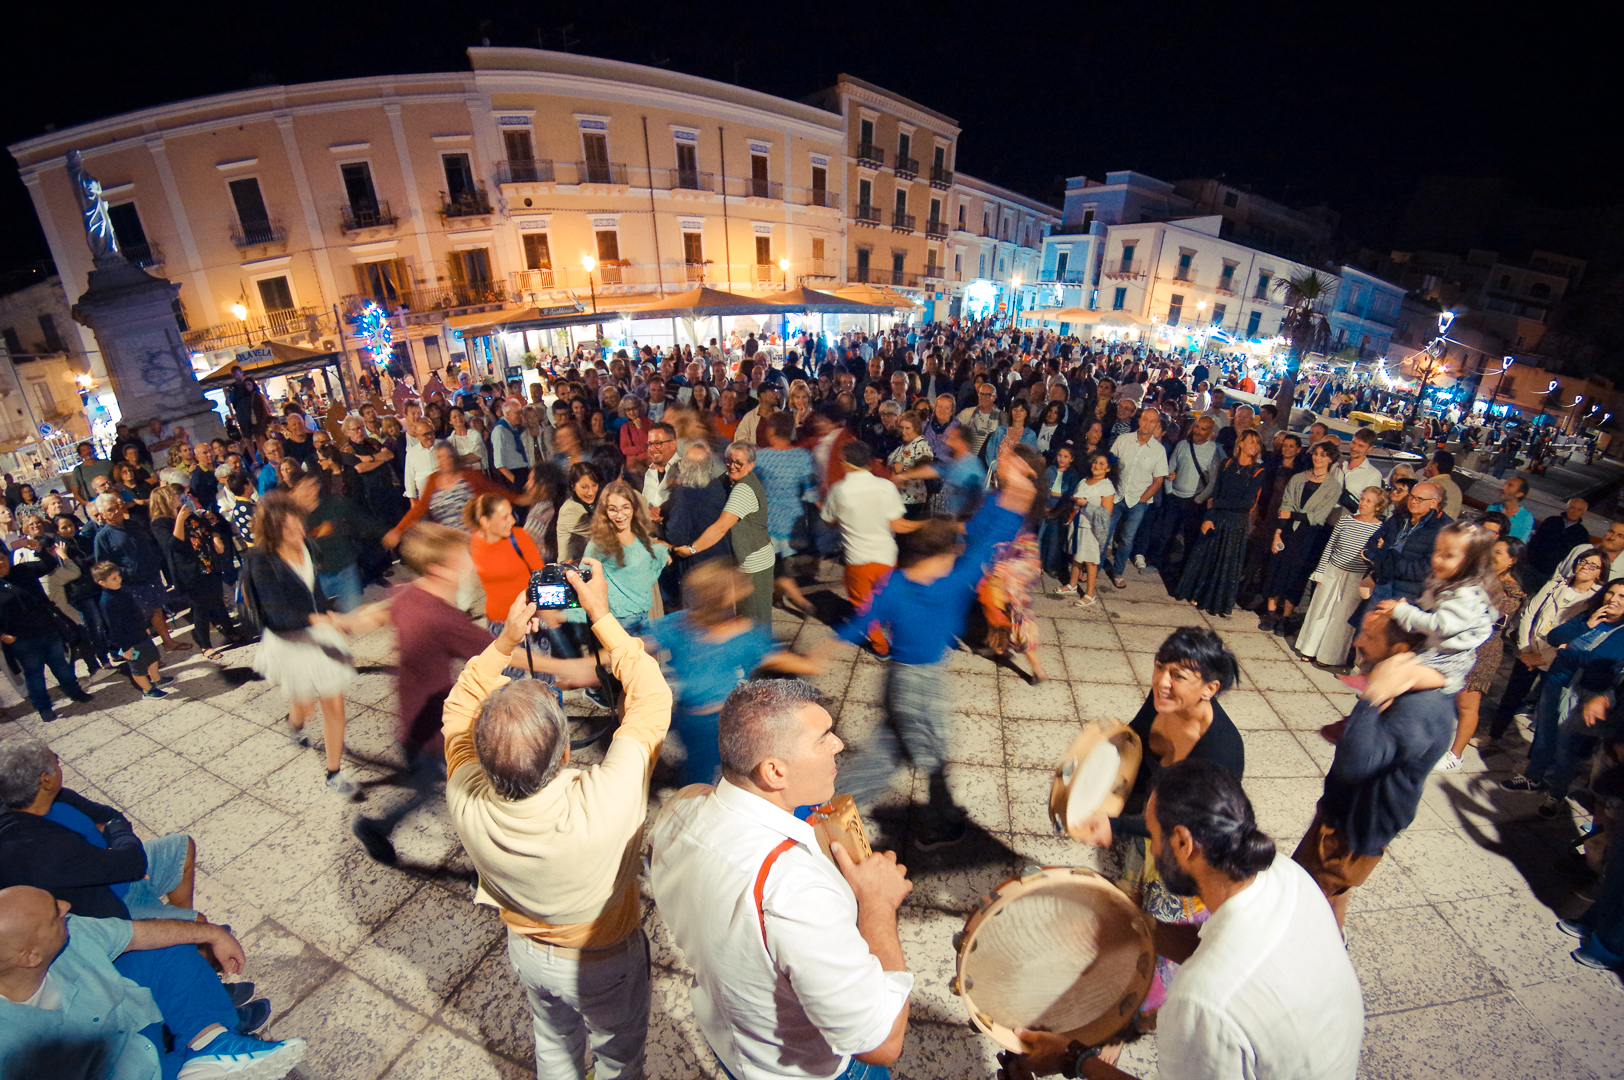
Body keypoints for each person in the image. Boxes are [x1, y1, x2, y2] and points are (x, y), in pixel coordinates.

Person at [439, 560, 668, 1080]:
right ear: (565, 755)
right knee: (617, 1055)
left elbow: (458, 710)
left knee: (554, 1044)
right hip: (602, 956)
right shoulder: (607, 799)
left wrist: (503, 645)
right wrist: (601, 614)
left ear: (479, 757)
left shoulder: (465, 794)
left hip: (527, 950)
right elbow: (651, 697)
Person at [1014, 759, 1361, 1080]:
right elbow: (1206, 948)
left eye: (1153, 837)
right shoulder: (1286, 873)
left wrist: (1072, 1059)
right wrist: (1129, 920)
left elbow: (1215, 982)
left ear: (1183, 842)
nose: (1150, 850)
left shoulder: (1201, 1001)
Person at [649, 679, 915, 1080]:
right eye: (824, 737)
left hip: (732, 1043)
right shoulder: (795, 891)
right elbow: (881, 1043)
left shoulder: (681, 806)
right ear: (774, 770)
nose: (839, 744)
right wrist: (878, 904)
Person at [834, 450, 1037, 849]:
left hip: (898, 680)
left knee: (888, 750)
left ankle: (835, 804)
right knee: (933, 754)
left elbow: (858, 622)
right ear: (942, 556)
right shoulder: (952, 581)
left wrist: (820, 651)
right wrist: (1018, 488)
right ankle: (938, 826)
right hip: (920, 687)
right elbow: (994, 534)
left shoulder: (894, 583)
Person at [0, 885, 306, 1080]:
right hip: (128, 1070)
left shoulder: (73, 930)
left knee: (165, 949)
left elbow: (140, 933)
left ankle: (213, 1044)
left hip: (131, 1021)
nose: (66, 905)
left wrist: (213, 933)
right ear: (30, 956)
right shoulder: (10, 1047)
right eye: (54, 914)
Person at [1293, 610, 1455, 927]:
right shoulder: (1410, 693)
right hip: (1346, 816)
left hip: (1353, 831)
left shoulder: (1419, 707)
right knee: (1332, 895)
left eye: (1370, 636)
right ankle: (1334, 941)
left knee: (1306, 899)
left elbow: (1355, 767)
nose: (1358, 641)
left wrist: (1371, 697)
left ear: (1399, 652)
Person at [240, 491, 383, 798]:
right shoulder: (259, 561)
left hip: (318, 631)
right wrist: (324, 620)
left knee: (333, 702)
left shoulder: (307, 546)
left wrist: (329, 614)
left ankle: (334, 773)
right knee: (305, 705)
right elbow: (276, 615)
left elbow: (312, 592)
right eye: (287, 530)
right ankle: (294, 724)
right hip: (290, 641)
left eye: (298, 525)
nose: (297, 533)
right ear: (272, 532)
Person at [646, 562, 822, 785]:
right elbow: (800, 665)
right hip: (723, 721)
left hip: (687, 716)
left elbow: (635, 645)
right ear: (726, 599)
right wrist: (817, 657)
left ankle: (691, 776)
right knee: (712, 775)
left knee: (698, 762)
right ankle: (697, 799)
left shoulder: (678, 622)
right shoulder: (747, 636)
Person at [0, 738, 200, 924]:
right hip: (113, 900)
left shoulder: (60, 796)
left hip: (118, 866)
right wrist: (118, 839)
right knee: (199, 924)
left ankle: (179, 919)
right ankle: (183, 930)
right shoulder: (41, 845)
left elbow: (111, 816)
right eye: (57, 762)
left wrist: (118, 837)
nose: (60, 766)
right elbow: (131, 860)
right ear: (46, 780)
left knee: (183, 846)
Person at [1502, 579, 1624, 819]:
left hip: (1584, 694)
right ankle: (1533, 778)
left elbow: (1607, 662)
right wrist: (1587, 624)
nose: (1613, 600)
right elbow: (1555, 637)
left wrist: (1568, 652)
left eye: (1622, 597)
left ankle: (1556, 795)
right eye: (1611, 593)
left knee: (1567, 748)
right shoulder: (1589, 616)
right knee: (1544, 735)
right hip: (1557, 682)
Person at [1484, 546, 1606, 746]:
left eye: (1593, 565)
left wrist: (1544, 658)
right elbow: (1529, 614)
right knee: (1512, 695)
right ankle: (1493, 737)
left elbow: (1582, 636)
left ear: (1600, 572)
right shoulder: (1555, 585)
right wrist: (1525, 650)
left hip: (1558, 658)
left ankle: (1536, 754)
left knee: (1548, 706)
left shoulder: (1596, 599)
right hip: (1530, 649)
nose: (1585, 567)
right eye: (1583, 561)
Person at [1377, 521, 1500, 697]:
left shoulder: (1466, 594)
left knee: (1393, 679)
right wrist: (1411, 606)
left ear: (1472, 563)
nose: (1436, 558)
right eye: (1437, 551)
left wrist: (1402, 611)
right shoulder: (1447, 584)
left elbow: (1440, 625)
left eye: (1448, 555)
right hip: (1435, 650)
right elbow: (1429, 608)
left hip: (1447, 662)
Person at [1437, 535, 1526, 770]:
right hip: (1454, 641)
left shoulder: (1511, 591)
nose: (1491, 556)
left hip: (1482, 651)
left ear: (1512, 560)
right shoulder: (1478, 576)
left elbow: (1488, 617)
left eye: (1498, 553)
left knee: (1467, 704)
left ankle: (1455, 756)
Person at [673, 441, 776, 625]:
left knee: (754, 622)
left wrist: (692, 550)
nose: (732, 466)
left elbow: (720, 528)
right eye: (729, 460)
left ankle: (759, 653)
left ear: (751, 464)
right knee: (744, 616)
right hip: (752, 558)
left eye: (739, 462)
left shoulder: (742, 490)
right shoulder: (728, 482)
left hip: (754, 563)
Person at [823, 440, 910, 654]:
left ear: (846, 463)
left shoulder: (839, 490)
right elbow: (898, 525)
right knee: (889, 599)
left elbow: (828, 520)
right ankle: (903, 638)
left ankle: (881, 646)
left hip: (857, 559)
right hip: (886, 557)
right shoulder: (886, 486)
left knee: (864, 605)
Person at [1174, 429, 1268, 618]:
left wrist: (1217, 504)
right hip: (1217, 518)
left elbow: (1247, 502)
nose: (1254, 446)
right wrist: (1209, 516)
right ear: (1240, 443)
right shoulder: (1226, 464)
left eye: (1257, 443)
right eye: (1251, 441)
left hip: (1235, 523)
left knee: (1226, 562)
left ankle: (1215, 601)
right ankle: (1198, 594)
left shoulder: (1258, 471)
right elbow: (1215, 492)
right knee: (1207, 557)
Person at [978, 446, 1051, 682]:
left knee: (1016, 611)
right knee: (1000, 605)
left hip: (1014, 559)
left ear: (1025, 467)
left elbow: (1000, 531)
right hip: (1013, 556)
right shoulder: (1015, 488)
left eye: (1010, 460)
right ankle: (1000, 647)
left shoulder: (1021, 488)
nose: (1003, 462)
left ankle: (1037, 668)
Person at [1257, 440, 1343, 635]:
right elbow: (1285, 506)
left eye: (1323, 455)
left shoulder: (1333, 487)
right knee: (1276, 568)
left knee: (1296, 575)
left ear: (1330, 459)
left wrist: (1293, 515)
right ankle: (1271, 613)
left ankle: (1286, 617)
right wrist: (1278, 533)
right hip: (1287, 530)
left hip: (1308, 537)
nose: (1318, 458)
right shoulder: (1298, 478)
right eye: (1316, 453)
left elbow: (1318, 516)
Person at [1295, 486, 1387, 667]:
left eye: (1369, 501)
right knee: (1321, 610)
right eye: (1362, 499)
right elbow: (1329, 547)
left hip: (1356, 576)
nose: (1363, 503)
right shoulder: (1345, 520)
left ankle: (1329, 656)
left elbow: (1376, 554)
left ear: (1378, 506)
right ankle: (1309, 649)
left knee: (1341, 616)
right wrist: (1321, 571)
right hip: (1333, 570)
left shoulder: (1380, 528)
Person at [0, 555, 94, 720]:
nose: (1, 562)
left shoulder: (23, 571)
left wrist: (39, 550)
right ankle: (44, 708)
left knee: (60, 665)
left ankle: (75, 692)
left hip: (47, 630)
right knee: (34, 674)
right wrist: (3, 635)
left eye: (2, 558)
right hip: (21, 640)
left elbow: (48, 564)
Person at [91, 494, 186, 651]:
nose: (117, 511)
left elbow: (150, 544)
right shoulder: (103, 537)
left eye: (118, 506)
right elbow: (103, 565)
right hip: (129, 584)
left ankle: (168, 642)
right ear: (102, 514)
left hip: (151, 577)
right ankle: (146, 655)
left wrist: (155, 561)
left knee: (157, 611)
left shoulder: (134, 524)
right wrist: (126, 573)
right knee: (138, 619)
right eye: (111, 509)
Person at [1363, 480, 1451, 607]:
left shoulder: (1441, 529)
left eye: (1419, 499)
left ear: (1434, 502)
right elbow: (1373, 541)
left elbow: (1427, 566)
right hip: (1380, 582)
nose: (1413, 501)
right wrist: (1375, 563)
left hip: (1406, 594)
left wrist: (1388, 564)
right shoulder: (1399, 518)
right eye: (1412, 496)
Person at [1106, 408, 1169, 586]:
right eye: (1145, 419)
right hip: (1117, 495)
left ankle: (1118, 572)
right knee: (1105, 533)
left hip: (1138, 500)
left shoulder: (1159, 450)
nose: (1148, 423)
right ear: (1139, 420)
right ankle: (1092, 567)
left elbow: (1158, 480)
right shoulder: (1123, 440)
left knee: (1127, 538)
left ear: (1157, 425)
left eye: (1152, 421)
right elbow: (1110, 465)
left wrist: (1143, 499)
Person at [93, 561, 169, 697]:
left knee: (152, 656)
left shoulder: (121, 592)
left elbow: (135, 613)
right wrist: (125, 647)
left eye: (118, 576)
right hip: (129, 642)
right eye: (114, 578)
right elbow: (113, 628)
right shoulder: (107, 602)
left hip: (140, 634)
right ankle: (147, 690)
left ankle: (156, 679)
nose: (119, 579)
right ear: (102, 583)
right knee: (138, 666)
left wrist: (144, 627)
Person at [1061, 451, 1118, 607]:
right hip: (1078, 524)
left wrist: (1085, 504)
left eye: (1101, 464)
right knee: (1076, 555)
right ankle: (1072, 585)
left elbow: (1106, 513)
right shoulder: (1084, 481)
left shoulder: (1106, 486)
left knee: (1090, 560)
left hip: (1091, 529)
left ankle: (1090, 594)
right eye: (1094, 462)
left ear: (1108, 469)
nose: (1096, 466)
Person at [1526, 498, 1592, 586]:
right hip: (1533, 568)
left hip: (1556, 576)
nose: (1574, 511)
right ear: (1566, 507)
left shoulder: (1582, 533)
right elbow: (1534, 542)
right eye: (1572, 507)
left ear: (1583, 513)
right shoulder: (1551, 521)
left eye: (1579, 510)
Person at [555, 462, 601, 564]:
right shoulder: (570, 509)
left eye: (594, 485)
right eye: (584, 487)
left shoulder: (590, 504)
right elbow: (601, 533)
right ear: (573, 486)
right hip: (571, 569)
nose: (591, 492)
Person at [1486, 476, 1535, 541]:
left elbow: (1519, 545)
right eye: (1505, 484)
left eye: (1510, 485)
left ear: (1519, 494)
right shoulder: (1493, 507)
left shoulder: (1526, 518)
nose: (1502, 487)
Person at [1423, 450, 1463, 519]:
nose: (1425, 468)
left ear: (1435, 466)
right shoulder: (1456, 488)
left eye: (1429, 463)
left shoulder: (1429, 486)